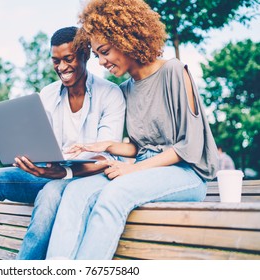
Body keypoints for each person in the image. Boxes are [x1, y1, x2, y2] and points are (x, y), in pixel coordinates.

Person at [45, 0, 219, 260]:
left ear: (126, 38)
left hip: (186, 173)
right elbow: (139, 147)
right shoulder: (126, 89)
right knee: (74, 193)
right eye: (97, 55)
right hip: (144, 170)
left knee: (115, 194)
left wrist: (133, 169)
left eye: (105, 51)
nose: (101, 62)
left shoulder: (173, 71)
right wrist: (105, 145)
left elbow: (188, 146)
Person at [0, 26, 126, 260]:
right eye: (56, 61)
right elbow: (39, 141)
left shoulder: (111, 94)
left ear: (85, 54)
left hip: (85, 178)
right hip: (48, 172)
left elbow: (105, 157)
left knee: (49, 194)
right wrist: (26, 157)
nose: (62, 68)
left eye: (68, 59)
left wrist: (63, 172)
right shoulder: (47, 94)